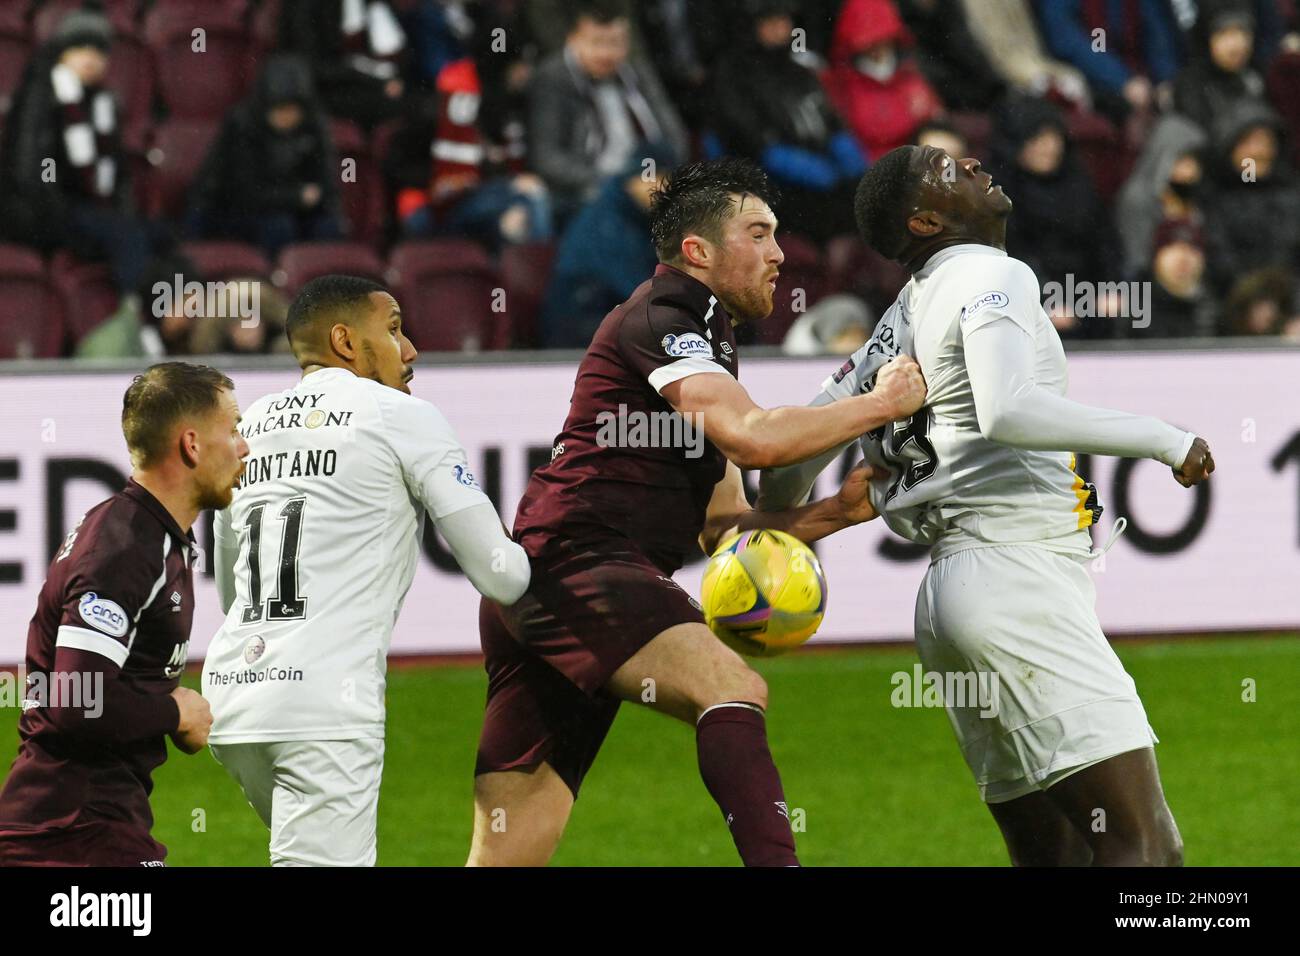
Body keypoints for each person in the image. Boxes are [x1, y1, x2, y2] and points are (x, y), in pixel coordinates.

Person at [758, 144, 1216, 866]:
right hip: (1015, 579)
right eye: (946, 169)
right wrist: (1165, 438)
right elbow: (1007, 410)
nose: (970, 161)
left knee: (1055, 855)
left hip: (949, 601)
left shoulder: (892, 324)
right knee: (1146, 852)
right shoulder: (994, 273)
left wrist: (781, 531)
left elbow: (785, 467)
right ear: (927, 219)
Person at [468, 158, 927, 867]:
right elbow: (756, 438)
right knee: (731, 687)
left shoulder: (704, 339)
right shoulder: (663, 318)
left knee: (508, 854)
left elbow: (722, 529)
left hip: (548, 581)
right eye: (759, 234)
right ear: (698, 252)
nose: (780, 254)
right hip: (577, 564)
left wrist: (836, 510)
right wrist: (884, 403)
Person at [202, 275, 530, 867]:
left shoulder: (246, 426)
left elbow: (231, 592)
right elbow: (501, 575)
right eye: (396, 329)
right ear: (346, 341)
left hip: (233, 701)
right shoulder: (399, 415)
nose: (411, 351)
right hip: (324, 705)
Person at [0, 362, 247, 866]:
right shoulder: (126, 547)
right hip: (70, 835)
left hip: (86, 825)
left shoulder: (148, 534)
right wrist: (174, 711)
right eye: (234, 429)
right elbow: (75, 697)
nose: (244, 446)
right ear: (192, 444)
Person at [0, 7, 154, 296]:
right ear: (62, 52)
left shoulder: (103, 104)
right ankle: (137, 320)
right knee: (125, 236)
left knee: (159, 236)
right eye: (81, 48)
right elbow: (32, 173)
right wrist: (61, 219)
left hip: (90, 210)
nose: (91, 59)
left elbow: (117, 172)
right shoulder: (41, 99)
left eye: (99, 51)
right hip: (47, 214)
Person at [527, 0, 687, 223]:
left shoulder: (638, 71)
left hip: (648, 177)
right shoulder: (553, 77)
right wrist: (618, 184)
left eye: (616, 43)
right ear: (573, 39)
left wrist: (661, 175)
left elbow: (673, 134)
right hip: (589, 187)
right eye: (597, 42)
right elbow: (547, 158)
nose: (607, 53)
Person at [188, 55, 343, 258]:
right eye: (280, 109)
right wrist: (296, 197)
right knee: (279, 226)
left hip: (292, 209)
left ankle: (321, 285)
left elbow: (326, 184)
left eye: (293, 110)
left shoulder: (313, 128)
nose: (286, 118)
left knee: (329, 226)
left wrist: (316, 199)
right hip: (234, 212)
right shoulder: (242, 125)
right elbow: (243, 191)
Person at [539, 147, 672, 347]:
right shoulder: (606, 217)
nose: (659, 188)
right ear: (632, 179)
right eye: (653, 179)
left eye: (667, 181)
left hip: (610, 312)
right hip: (579, 319)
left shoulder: (642, 217)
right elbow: (628, 285)